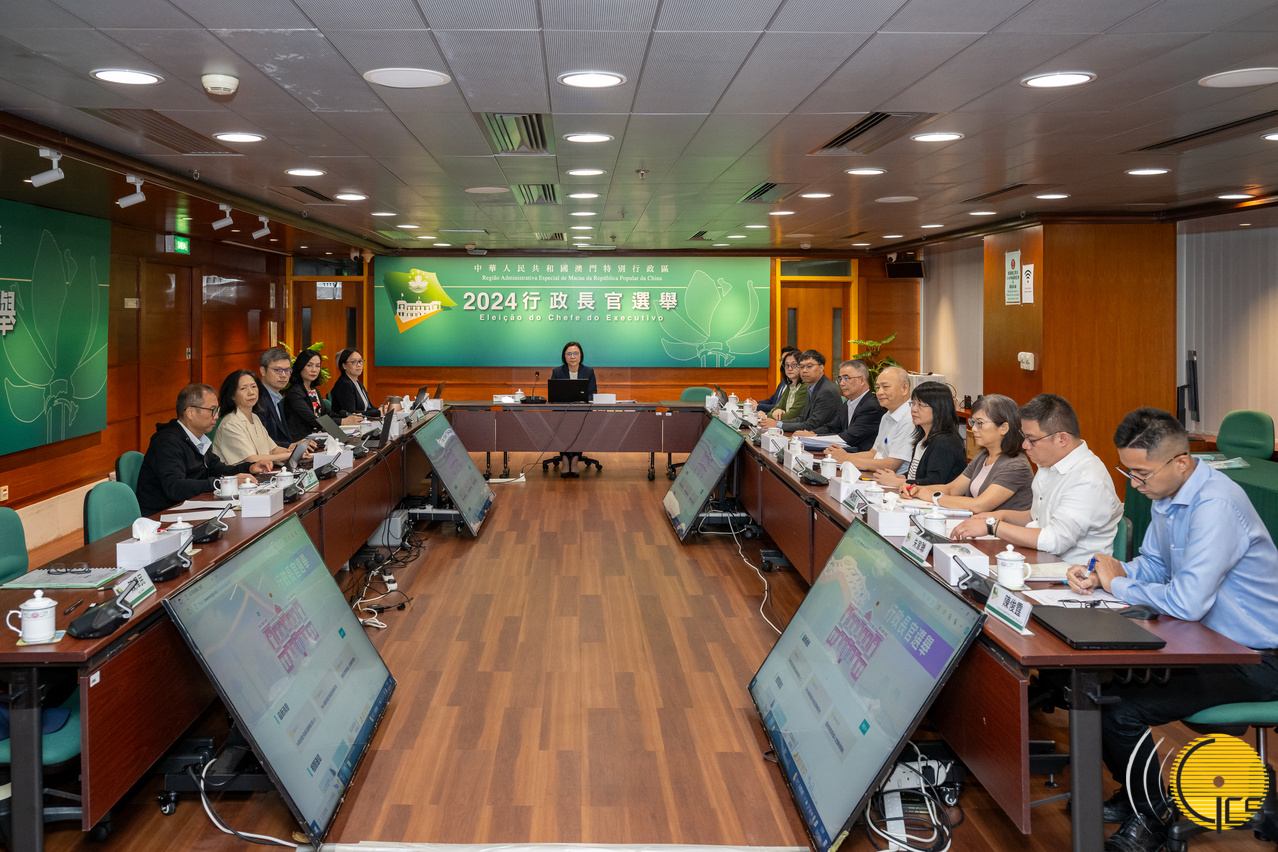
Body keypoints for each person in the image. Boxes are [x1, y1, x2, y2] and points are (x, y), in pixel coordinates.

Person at [1066, 408, 1278, 852]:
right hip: (1208, 644)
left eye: (1141, 473)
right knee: (1097, 688)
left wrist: (1117, 583)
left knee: (1120, 707)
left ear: (1181, 462)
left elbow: (1186, 602)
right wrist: (1107, 571)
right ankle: (1138, 797)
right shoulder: (1168, 494)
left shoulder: (1216, 505)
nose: (1134, 484)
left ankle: (1152, 817)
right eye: (1128, 471)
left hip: (1256, 656)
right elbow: (1156, 564)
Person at [950, 393, 1121, 564]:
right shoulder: (1049, 463)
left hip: (1071, 571)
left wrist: (992, 526)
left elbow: (1055, 540)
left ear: (1062, 439)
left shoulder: (1087, 479)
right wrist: (1001, 516)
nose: (1025, 445)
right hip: (1040, 559)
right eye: (1024, 437)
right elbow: (1038, 517)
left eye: (1031, 440)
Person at [135, 383, 271, 517]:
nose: (216, 416)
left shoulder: (198, 439)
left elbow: (219, 470)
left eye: (217, 410)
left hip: (191, 508)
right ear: (190, 412)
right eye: (212, 410)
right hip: (163, 516)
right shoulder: (167, 442)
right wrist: (223, 483)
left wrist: (250, 467)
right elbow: (175, 487)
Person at [904, 393, 1033, 513]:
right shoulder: (983, 456)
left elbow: (979, 505)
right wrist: (916, 489)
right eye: (973, 422)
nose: (974, 429)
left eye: (980, 423)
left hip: (999, 528)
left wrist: (934, 497)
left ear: (1004, 428)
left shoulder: (1016, 466)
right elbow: (952, 489)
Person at [872, 381, 966, 488]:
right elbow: (916, 475)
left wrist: (897, 482)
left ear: (939, 408)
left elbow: (934, 483)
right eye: (913, 404)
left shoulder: (944, 442)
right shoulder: (922, 437)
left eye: (921, 405)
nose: (913, 409)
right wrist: (897, 477)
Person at [210, 370, 310, 466]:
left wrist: (295, 452)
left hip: (260, 473)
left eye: (254, 386)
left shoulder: (255, 418)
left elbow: (272, 450)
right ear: (232, 395)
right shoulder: (230, 424)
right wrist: (289, 455)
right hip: (236, 476)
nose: (251, 392)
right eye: (243, 388)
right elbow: (251, 459)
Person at [827, 365, 915, 474]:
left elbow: (891, 465)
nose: (880, 392)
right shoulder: (887, 416)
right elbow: (873, 453)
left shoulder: (910, 418)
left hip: (893, 479)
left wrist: (847, 458)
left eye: (885, 387)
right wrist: (840, 456)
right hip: (877, 474)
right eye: (877, 388)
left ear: (905, 388)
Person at [795, 359, 884, 452]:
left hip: (861, 456)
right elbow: (832, 427)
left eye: (846, 378)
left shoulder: (871, 407)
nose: (842, 383)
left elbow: (849, 437)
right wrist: (811, 433)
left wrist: (814, 437)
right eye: (840, 379)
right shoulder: (848, 403)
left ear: (862, 380)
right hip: (846, 453)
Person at [283, 349, 362, 441]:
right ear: (300, 366)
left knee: (353, 442)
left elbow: (326, 412)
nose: (314, 370)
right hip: (304, 441)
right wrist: (343, 421)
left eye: (317, 366)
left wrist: (348, 417)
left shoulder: (314, 390)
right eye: (309, 365)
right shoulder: (294, 393)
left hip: (319, 436)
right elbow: (314, 420)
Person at [759, 349, 839, 433]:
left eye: (809, 366)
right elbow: (802, 418)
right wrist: (777, 423)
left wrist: (777, 425)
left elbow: (812, 425)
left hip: (824, 436)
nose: (804, 370)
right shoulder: (811, 387)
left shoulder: (826, 391)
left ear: (821, 368)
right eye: (801, 367)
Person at [550, 341, 597, 477]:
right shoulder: (557, 372)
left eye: (576, 353)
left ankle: (575, 459)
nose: (572, 356)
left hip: (581, 412)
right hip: (562, 412)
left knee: (580, 424)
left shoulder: (588, 372)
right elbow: (553, 395)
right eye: (569, 354)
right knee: (561, 424)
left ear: (581, 356)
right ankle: (565, 459)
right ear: (564, 356)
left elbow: (592, 394)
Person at [330, 348, 395, 418]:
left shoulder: (358, 383)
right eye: (354, 362)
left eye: (360, 361)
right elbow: (351, 413)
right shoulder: (344, 384)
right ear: (344, 365)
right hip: (347, 424)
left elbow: (368, 408)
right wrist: (377, 412)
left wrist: (381, 409)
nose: (359, 365)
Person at [255, 346, 294, 448]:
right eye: (278, 370)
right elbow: (262, 442)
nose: (284, 375)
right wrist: (291, 446)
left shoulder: (276, 397)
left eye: (287, 370)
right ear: (263, 371)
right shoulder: (257, 399)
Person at [759, 349, 806, 422]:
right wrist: (777, 411)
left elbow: (792, 415)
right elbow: (777, 407)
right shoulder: (790, 385)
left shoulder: (805, 386)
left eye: (794, 365)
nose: (790, 368)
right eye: (787, 365)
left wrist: (766, 416)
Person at [751, 347, 801, 411]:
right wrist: (754, 403)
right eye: (783, 360)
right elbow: (772, 400)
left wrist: (757, 406)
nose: (789, 368)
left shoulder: (802, 386)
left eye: (793, 364)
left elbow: (783, 409)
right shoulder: (784, 382)